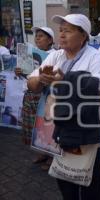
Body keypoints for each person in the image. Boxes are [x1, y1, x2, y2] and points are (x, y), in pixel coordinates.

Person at [27, 13, 100, 200]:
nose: (62, 35)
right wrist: (40, 79)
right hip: (61, 128)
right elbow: (31, 84)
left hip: (87, 130)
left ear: (83, 36)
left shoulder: (95, 59)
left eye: (68, 31)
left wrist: (67, 81)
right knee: (64, 177)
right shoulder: (56, 56)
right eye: (61, 30)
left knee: (89, 181)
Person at [16, 26, 55, 170]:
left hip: (44, 96)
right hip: (30, 94)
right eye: (36, 36)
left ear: (50, 40)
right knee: (33, 126)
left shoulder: (55, 55)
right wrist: (21, 72)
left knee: (45, 126)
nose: (37, 38)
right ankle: (42, 153)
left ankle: (51, 156)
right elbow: (29, 77)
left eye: (41, 36)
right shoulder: (30, 55)